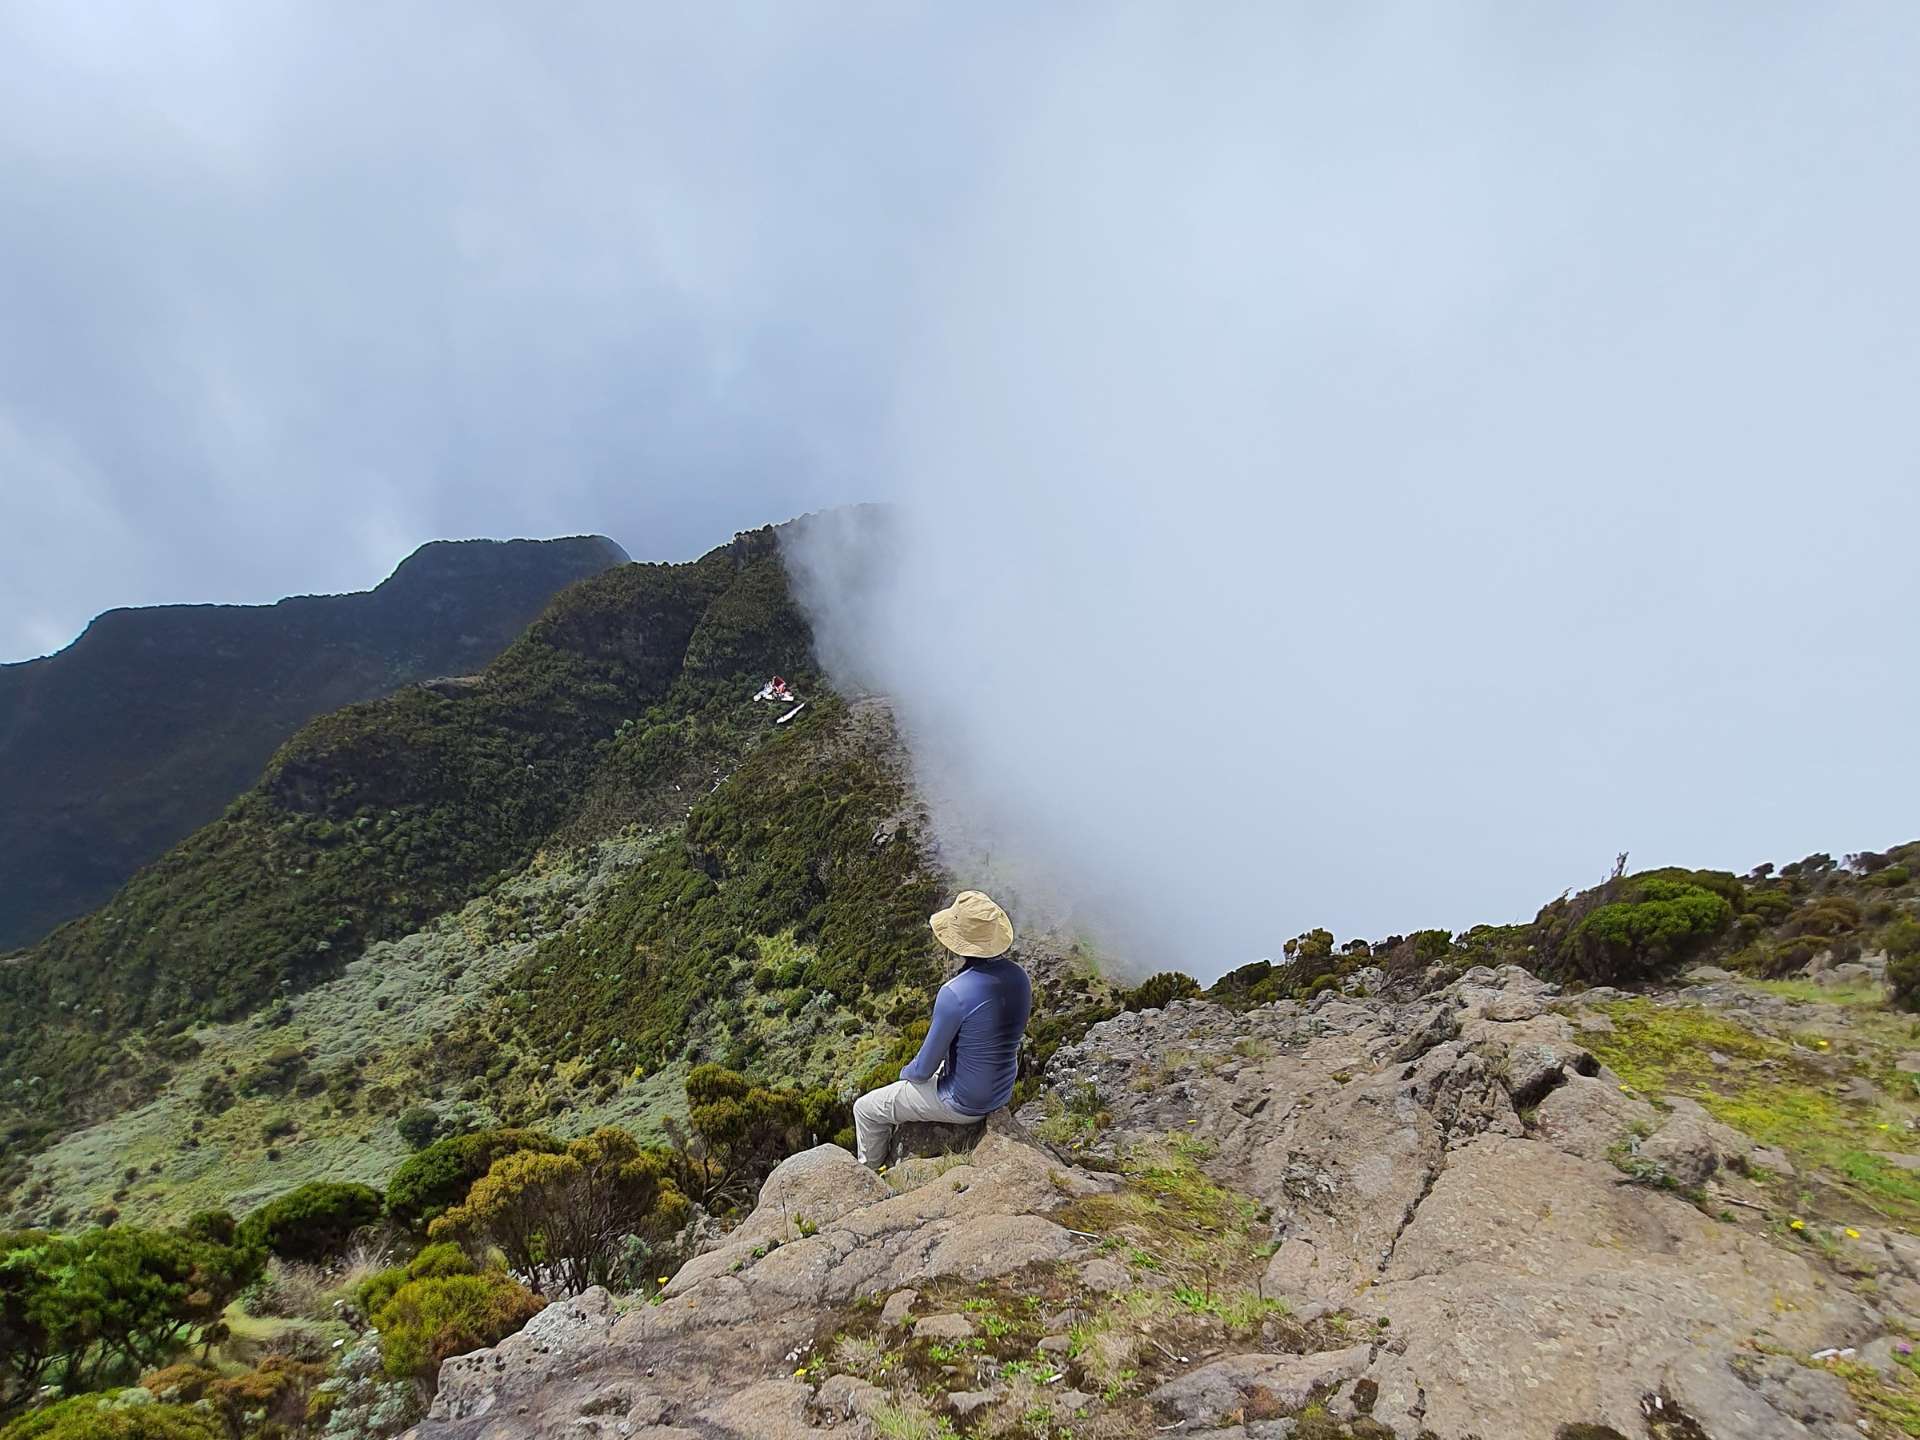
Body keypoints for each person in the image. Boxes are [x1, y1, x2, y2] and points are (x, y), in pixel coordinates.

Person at [852, 889, 1031, 1169]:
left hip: (964, 1101)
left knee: (865, 1109)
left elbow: (923, 1069)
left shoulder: (955, 992)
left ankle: (870, 1172)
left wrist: (904, 1077)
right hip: (1001, 1090)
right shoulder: (1021, 978)